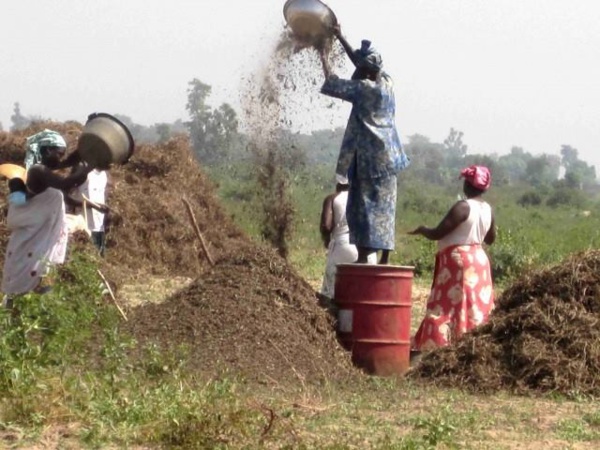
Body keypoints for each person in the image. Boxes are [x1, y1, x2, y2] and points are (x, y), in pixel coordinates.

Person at [319, 25, 409, 265]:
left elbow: (332, 82)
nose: (355, 71)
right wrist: (340, 37)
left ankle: (362, 256)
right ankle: (385, 258)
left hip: (368, 160)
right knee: (385, 207)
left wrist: (323, 53)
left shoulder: (363, 89)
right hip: (389, 159)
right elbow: (362, 63)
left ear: (365, 72)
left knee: (362, 207)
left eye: (359, 68)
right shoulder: (387, 84)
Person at [408, 165, 496, 351]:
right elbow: (490, 238)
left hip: (459, 263)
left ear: (467, 185)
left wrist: (423, 229)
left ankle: (440, 347)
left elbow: (438, 233)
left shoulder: (463, 207)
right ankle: (474, 345)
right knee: (474, 305)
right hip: (479, 261)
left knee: (447, 305)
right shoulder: (487, 209)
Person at [1, 130, 92, 299]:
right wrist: (91, 165)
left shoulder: (41, 170)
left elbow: (65, 164)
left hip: (36, 240)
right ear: (48, 151)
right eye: (58, 153)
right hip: (35, 240)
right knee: (32, 288)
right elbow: (66, 183)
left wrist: (84, 153)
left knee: (36, 288)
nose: (60, 158)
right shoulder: (38, 171)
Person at [319, 177, 376, 300]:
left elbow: (326, 225)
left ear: (339, 184)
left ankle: (335, 318)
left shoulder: (333, 198)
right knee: (365, 296)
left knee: (331, 295)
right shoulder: (366, 198)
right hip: (368, 249)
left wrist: (326, 239)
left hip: (343, 245)